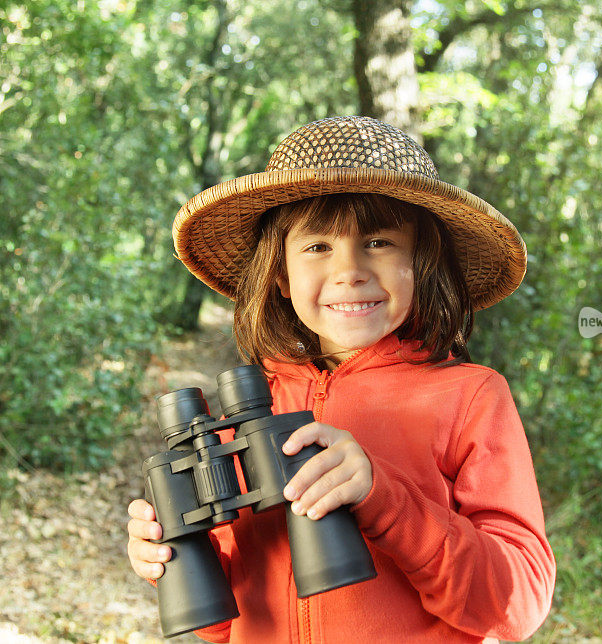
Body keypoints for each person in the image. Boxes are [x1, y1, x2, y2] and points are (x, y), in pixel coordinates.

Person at [127, 115, 555, 643]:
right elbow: (224, 627)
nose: (349, 269)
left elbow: (517, 606)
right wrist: (176, 556)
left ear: (421, 264)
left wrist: (384, 497)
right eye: (317, 246)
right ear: (280, 274)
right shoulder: (248, 414)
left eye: (378, 242)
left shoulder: (470, 396)